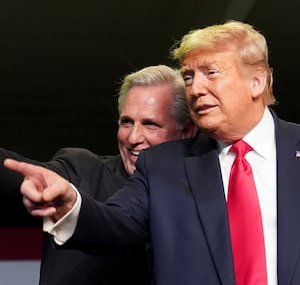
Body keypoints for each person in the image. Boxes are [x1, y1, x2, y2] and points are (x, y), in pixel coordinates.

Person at [6, 20, 296, 284]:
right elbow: (114, 223)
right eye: (189, 77)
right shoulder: (163, 166)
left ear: (256, 82)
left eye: (211, 73)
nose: (195, 89)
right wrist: (71, 206)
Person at [0, 64, 196, 285]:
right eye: (126, 122)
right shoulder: (82, 170)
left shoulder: (205, 196)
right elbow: (18, 176)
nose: (133, 137)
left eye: (150, 124)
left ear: (186, 131)